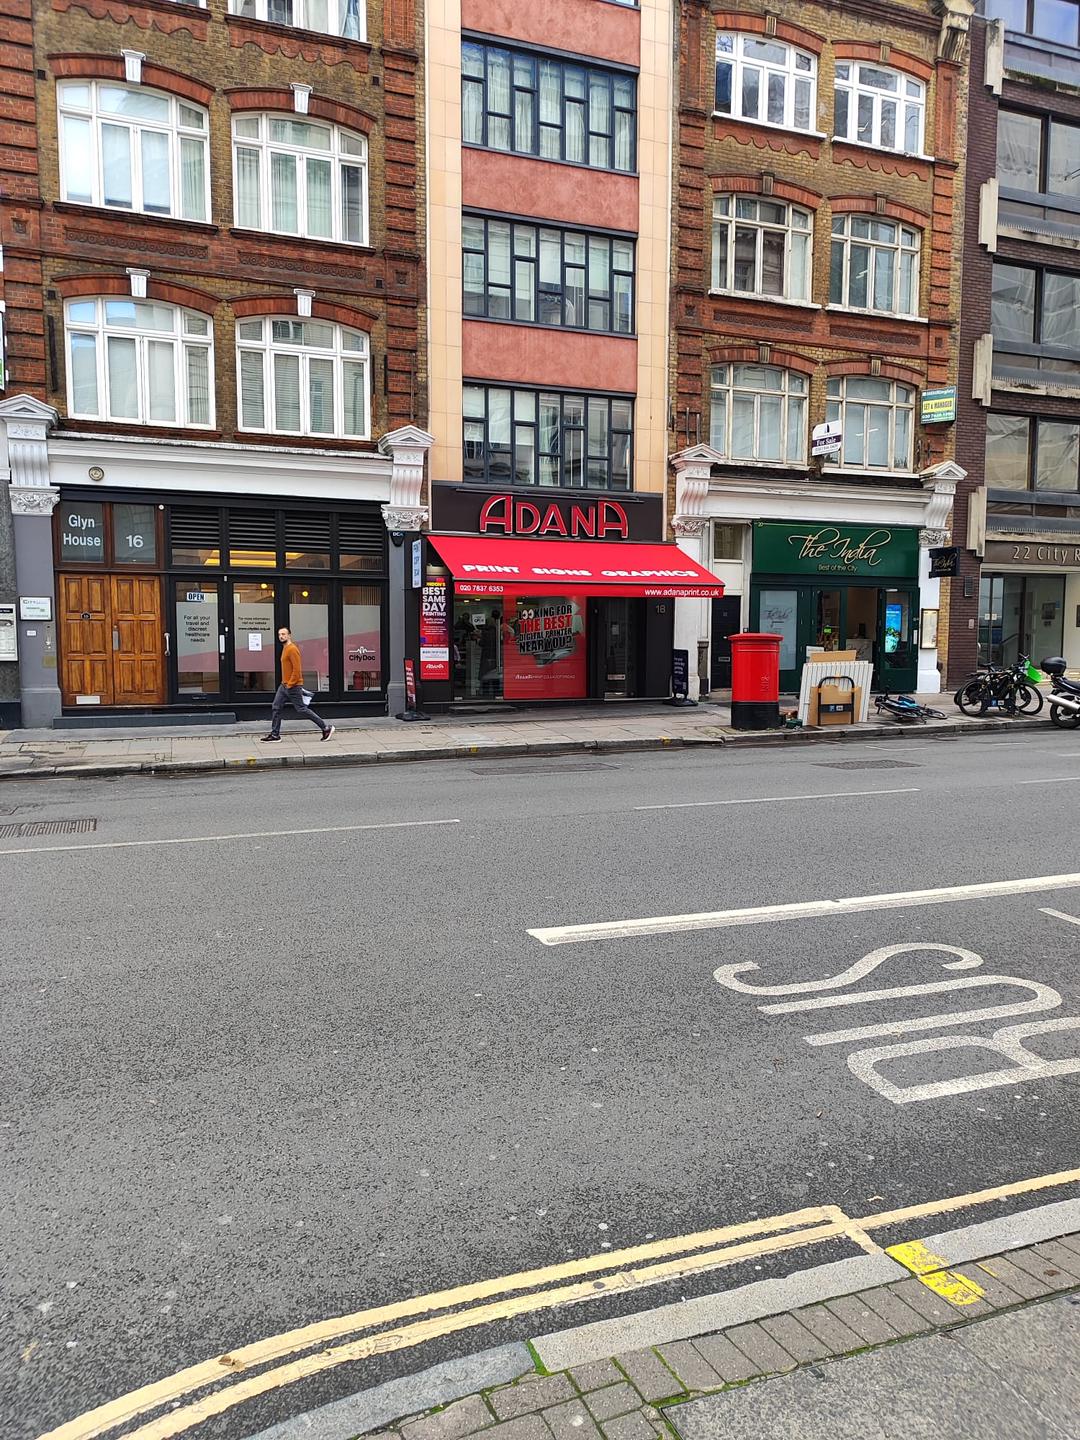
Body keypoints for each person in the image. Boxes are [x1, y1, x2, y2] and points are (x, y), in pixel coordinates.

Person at [262, 626, 334, 741]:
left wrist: (290, 684)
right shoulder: (285, 648)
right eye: (279, 634)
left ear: (289, 635)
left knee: (301, 709)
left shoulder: (292, 649)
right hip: (284, 685)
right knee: (276, 707)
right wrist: (286, 684)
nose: (281, 636)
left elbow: (297, 670)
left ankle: (326, 728)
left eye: (283, 634)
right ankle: (275, 735)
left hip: (293, 686)